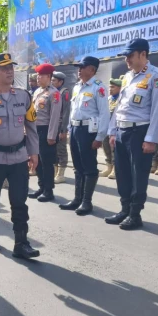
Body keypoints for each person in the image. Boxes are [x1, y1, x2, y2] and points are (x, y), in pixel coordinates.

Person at [0, 52, 40, 259]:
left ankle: (21, 243)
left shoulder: (23, 96)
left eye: (11, 67)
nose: (10, 71)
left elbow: (31, 126)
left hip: (19, 157)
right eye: (4, 68)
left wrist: (34, 152)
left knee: (19, 201)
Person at [105, 38, 158, 230]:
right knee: (122, 173)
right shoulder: (127, 77)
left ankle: (135, 213)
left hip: (140, 131)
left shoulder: (156, 76)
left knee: (138, 174)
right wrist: (113, 130)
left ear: (143, 54)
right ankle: (124, 209)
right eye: (125, 56)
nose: (127, 60)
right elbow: (120, 106)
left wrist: (151, 139)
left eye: (130, 55)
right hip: (122, 130)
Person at [59, 57, 109, 215]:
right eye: (78, 67)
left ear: (92, 70)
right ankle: (77, 199)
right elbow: (74, 110)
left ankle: (87, 202)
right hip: (75, 129)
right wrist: (69, 128)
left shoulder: (98, 88)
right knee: (77, 166)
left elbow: (104, 114)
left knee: (89, 166)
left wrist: (100, 137)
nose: (79, 70)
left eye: (83, 67)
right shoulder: (77, 87)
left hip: (89, 131)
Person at [28, 63, 62, 202]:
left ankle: (49, 190)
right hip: (36, 129)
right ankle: (41, 187)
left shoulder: (54, 93)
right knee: (38, 162)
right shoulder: (37, 92)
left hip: (46, 130)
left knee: (47, 162)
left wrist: (51, 136)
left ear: (48, 76)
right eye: (37, 75)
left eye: (40, 75)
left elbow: (55, 116)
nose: (38, 78)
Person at [51, 71, 71, 184]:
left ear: (60, 82)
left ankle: (61, 173)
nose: (52, 82)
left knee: (61, 149)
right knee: (53, 149)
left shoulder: (64, 92)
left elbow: (65, 112)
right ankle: (55, 170)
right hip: (52, 124)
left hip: (60, 124)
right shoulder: (52, 92)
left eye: (54, 80)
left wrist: (63, 130)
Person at [100, 77, 122, 179]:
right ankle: (109, 166)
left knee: (114, 150)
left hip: (116, 129)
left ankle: (115, 169)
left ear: (119, 88)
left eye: (113, 87)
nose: (110, 89)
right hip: (106, 128)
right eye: (109, 87)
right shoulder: (108, 99)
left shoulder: (121, 99)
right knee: (106, 148)